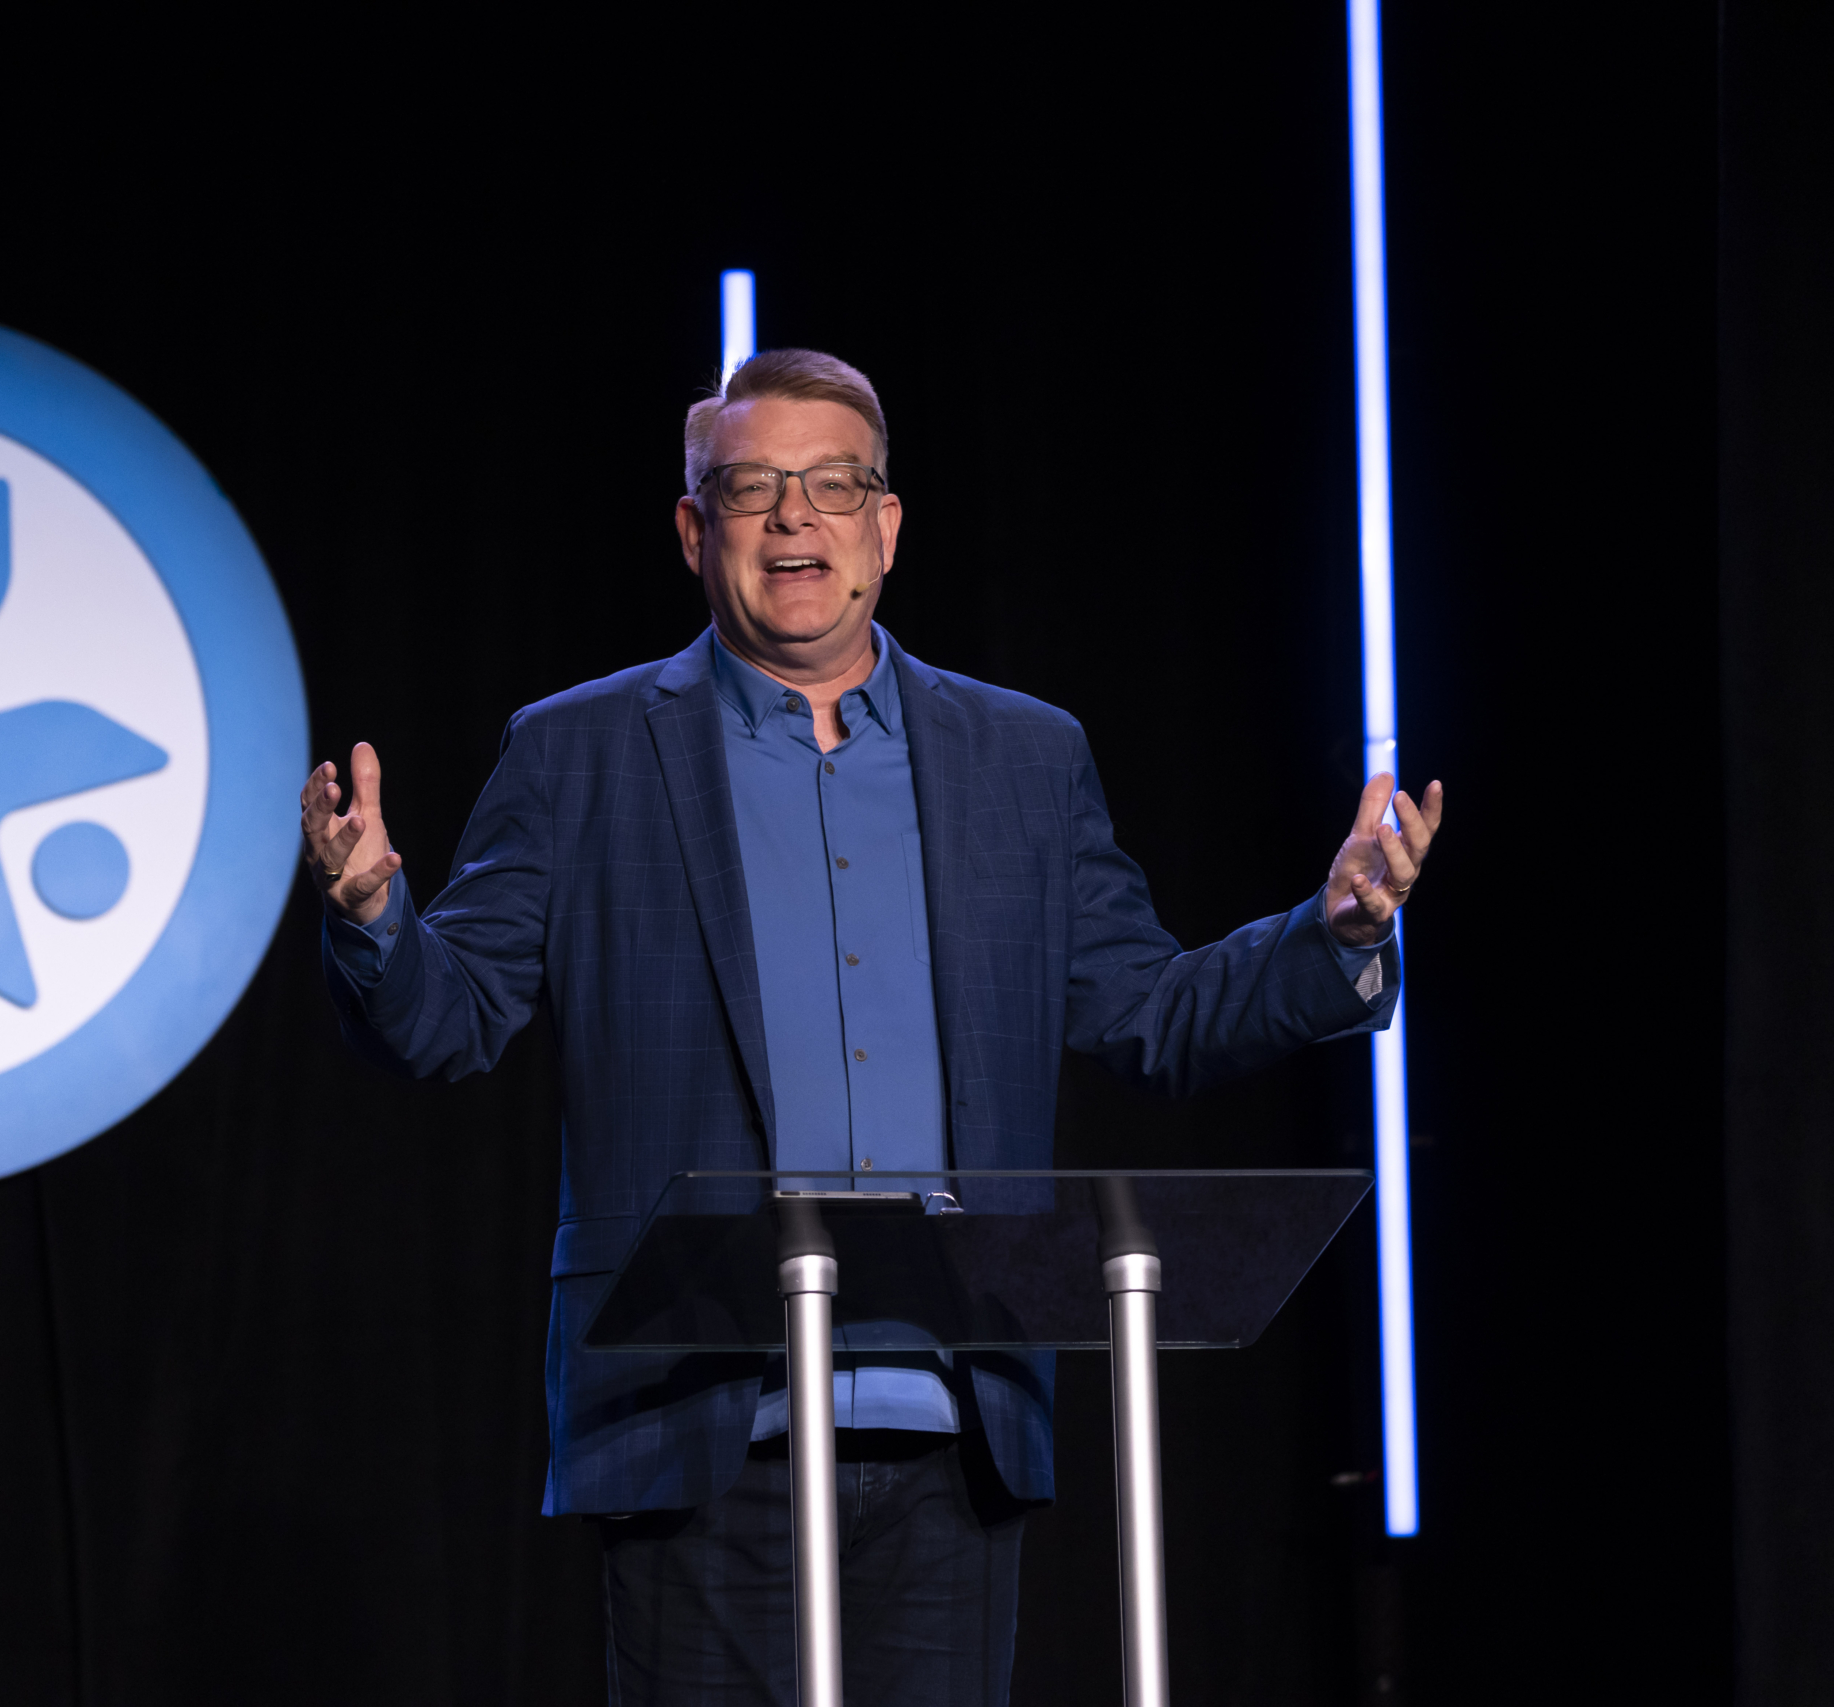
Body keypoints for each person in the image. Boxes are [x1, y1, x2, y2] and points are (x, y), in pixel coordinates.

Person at [300, 349, 1442, 1706]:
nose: (796, 518)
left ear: (885, 527)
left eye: (834, 485)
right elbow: (452, 1019)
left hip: (954, 1429)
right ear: (692, 529)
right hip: (693, 1421)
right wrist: (376, 919)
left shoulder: (1026, 758)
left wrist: (1342, 940)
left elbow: (1151, 1013)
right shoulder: (579, 752)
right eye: (751, 486)